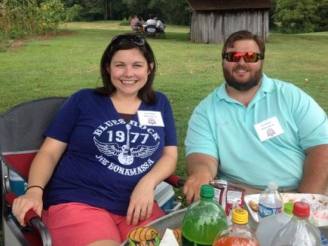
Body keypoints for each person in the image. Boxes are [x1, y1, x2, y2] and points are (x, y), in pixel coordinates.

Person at [12, 33, 178, 246]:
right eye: (120, 65)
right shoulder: (84, 100)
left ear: (150, 68)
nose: (128, 73)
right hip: (80, 203)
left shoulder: (159, 103)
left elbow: (169, 155)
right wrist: (35, 190)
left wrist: (147, 183)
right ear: (108, 68)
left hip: (137, 206)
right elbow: (49, 152)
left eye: (137, 65)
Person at [183, 30, 328, 203]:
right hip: (242, 196)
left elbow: (321, 148)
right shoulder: (206, 110)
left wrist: (306, 201)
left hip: (298, 192)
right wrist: (201, 173)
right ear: (223, 60)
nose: (241, 63)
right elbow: (201, 156)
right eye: (233, 56)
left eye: (251, 57)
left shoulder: (290, 96)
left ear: (262, 61)